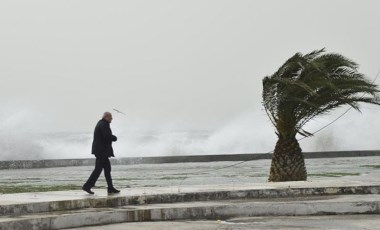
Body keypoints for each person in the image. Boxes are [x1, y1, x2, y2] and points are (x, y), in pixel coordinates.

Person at [82, 112, 120, 194]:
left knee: (107, 169)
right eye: (110, 117)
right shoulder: (104, 124)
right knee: (98, 170)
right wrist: (114, 137)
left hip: (101, 151)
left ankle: (110, 188)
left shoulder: (101, 123)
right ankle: (87, 186)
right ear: (106, 117)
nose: (112, 119)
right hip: (101, 152)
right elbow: (106, 136)